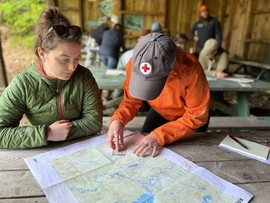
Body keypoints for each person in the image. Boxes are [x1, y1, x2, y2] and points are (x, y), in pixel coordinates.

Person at [0, 7, 103, 149]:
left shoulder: (84, 76)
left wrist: (62, 132)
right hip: (42, 155)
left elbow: (94, 122)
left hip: (84, 149)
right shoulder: (23, 84)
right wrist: (46, 133)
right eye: (64, 59)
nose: (73, 67)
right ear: (42, 54)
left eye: (77, 59)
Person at [107, 33, 211, 157]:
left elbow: (196, 116)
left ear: (172, 66)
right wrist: (119, 119)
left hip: (190, 120)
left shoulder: (191, 69)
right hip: (159, 111)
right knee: (143, 146)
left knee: (188, 156)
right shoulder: (136, 63)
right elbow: (131, 101)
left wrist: (160, 136)